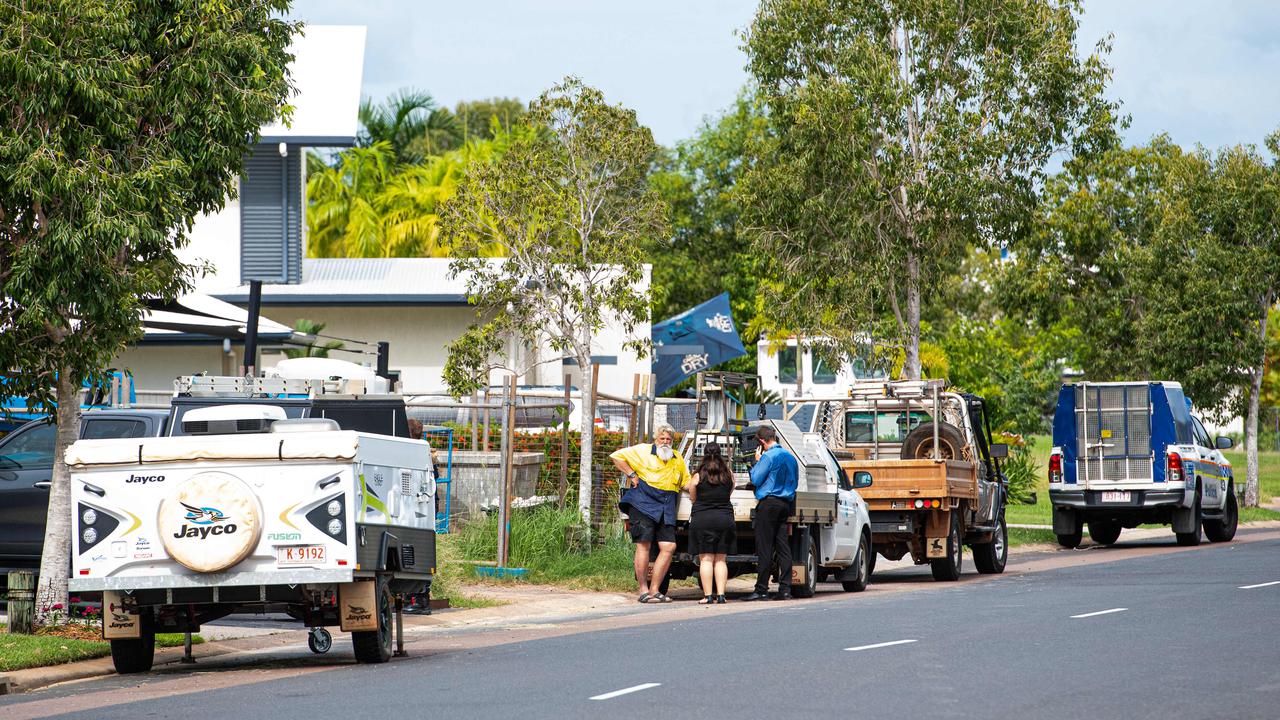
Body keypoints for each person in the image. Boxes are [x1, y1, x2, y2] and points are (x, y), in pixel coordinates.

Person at [611, 424, 690, 604]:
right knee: (644, 545)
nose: (665, 442)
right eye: (662, 438)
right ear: (656, 439)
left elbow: (685, 482)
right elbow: (616, 456)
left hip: (667, 505)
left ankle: (655, 589)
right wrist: (631, 474)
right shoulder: (643, 450)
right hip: (643, 503)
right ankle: (643, 589)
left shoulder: (677, 458)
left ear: (672, 441)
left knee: (669, 546)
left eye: (668, 439)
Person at [741, 425, 799, 602]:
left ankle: (761, 589)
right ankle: (785, 589)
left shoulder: (767, 457)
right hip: (785, 504)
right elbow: (795, 482)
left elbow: (756, 478)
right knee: (783, 547)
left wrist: (758, 461)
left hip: (768, 504)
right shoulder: (790, 457)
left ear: (761, 441)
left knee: (765, 547)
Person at [687, 442, 735, 605]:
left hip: (703, 519)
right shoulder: (728, 474)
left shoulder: (698, 475)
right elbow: (729, 492)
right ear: (721, 454)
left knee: (706, 559)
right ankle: (721, 595)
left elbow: (693, 496)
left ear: (704, 454)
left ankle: (707, 596)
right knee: (721, 559)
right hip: (725, 518)